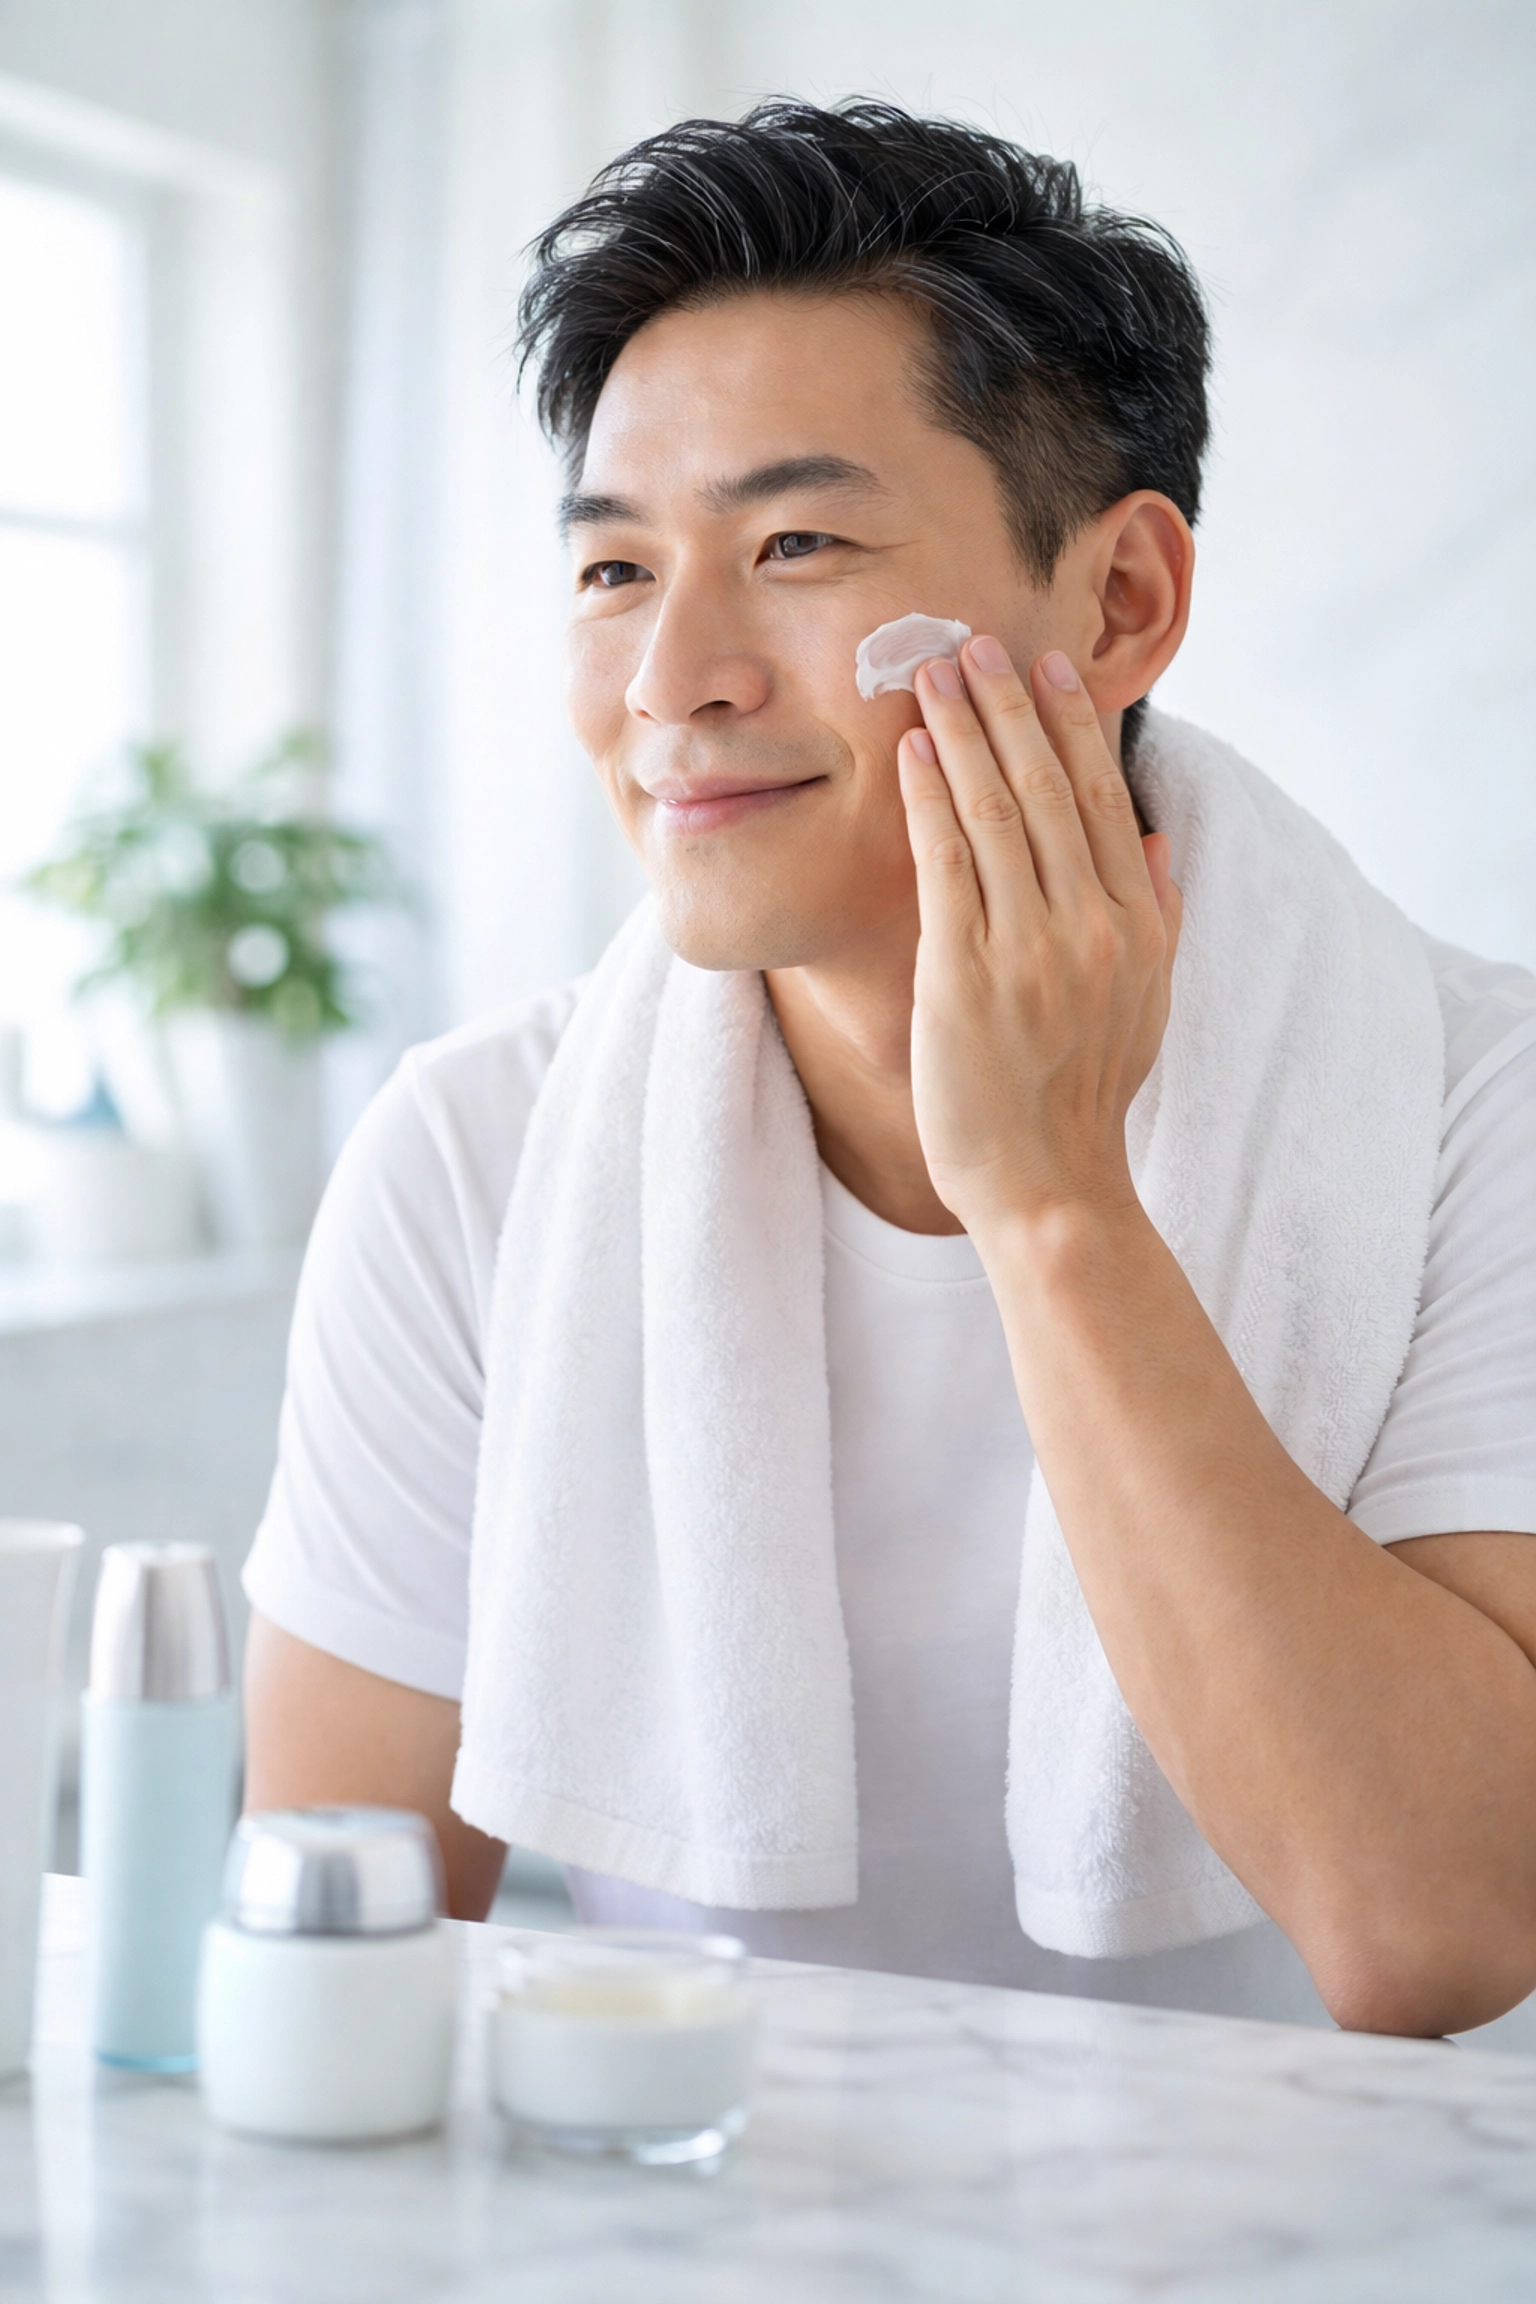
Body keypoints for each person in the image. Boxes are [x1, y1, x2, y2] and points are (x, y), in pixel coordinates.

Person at [242, 100, 1536, 2039]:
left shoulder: (1476, 1109)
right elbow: (338, 1972)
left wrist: (1054, 1195)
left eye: (797, 542)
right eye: (613, 571)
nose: (676, 676)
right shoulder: (467, 1162)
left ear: (1119, 605)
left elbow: (1437, 1929)